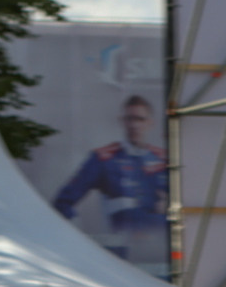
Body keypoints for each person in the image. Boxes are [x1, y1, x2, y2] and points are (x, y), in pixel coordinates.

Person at [54, 95, 169, 268]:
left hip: (163, 256)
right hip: (120, 258)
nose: (134, 125)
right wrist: (79, 240)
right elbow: (62, 202)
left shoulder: (163, 159)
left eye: (140, 119)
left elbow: (187, 204)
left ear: (150, 123)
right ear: (122, 121)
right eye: (130, 119)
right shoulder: (104, 158)